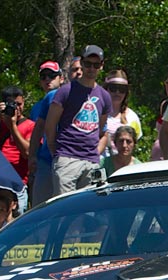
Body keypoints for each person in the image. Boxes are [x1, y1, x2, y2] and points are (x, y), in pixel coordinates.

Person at [45, 45, 112, 193]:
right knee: (65, 209)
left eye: (96, 65)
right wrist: (56, 153)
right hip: (67, 158)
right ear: (81, 63)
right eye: (88, 64)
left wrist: (96, 153)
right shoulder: (65, 91)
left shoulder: (104, 96)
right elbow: (50, 126)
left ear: (101, 66)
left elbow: (101, 130)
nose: (91, 69)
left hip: (91, 162)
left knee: (87, 211)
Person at [0, 85, 33, 212]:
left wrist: (12, 126)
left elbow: (27, 152)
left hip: (17, 183)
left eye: (19, 104)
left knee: (15, 223)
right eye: (12, 104)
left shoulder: (30, 125)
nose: (16, 108)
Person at [26, 61, 65, 208]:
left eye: (52, 76)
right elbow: (36, 132)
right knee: (40, 209)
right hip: (44, 161)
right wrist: (32, 156)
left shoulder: (65, 96)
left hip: (63, 159)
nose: (47, 79)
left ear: (61, 78)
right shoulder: (37, 106)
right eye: (43, 76)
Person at [100, 70, 142, 161]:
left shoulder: (132, 117)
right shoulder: (98, 114)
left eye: (122, 89)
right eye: (113, 88)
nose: (117, 92)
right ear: (106, 89)